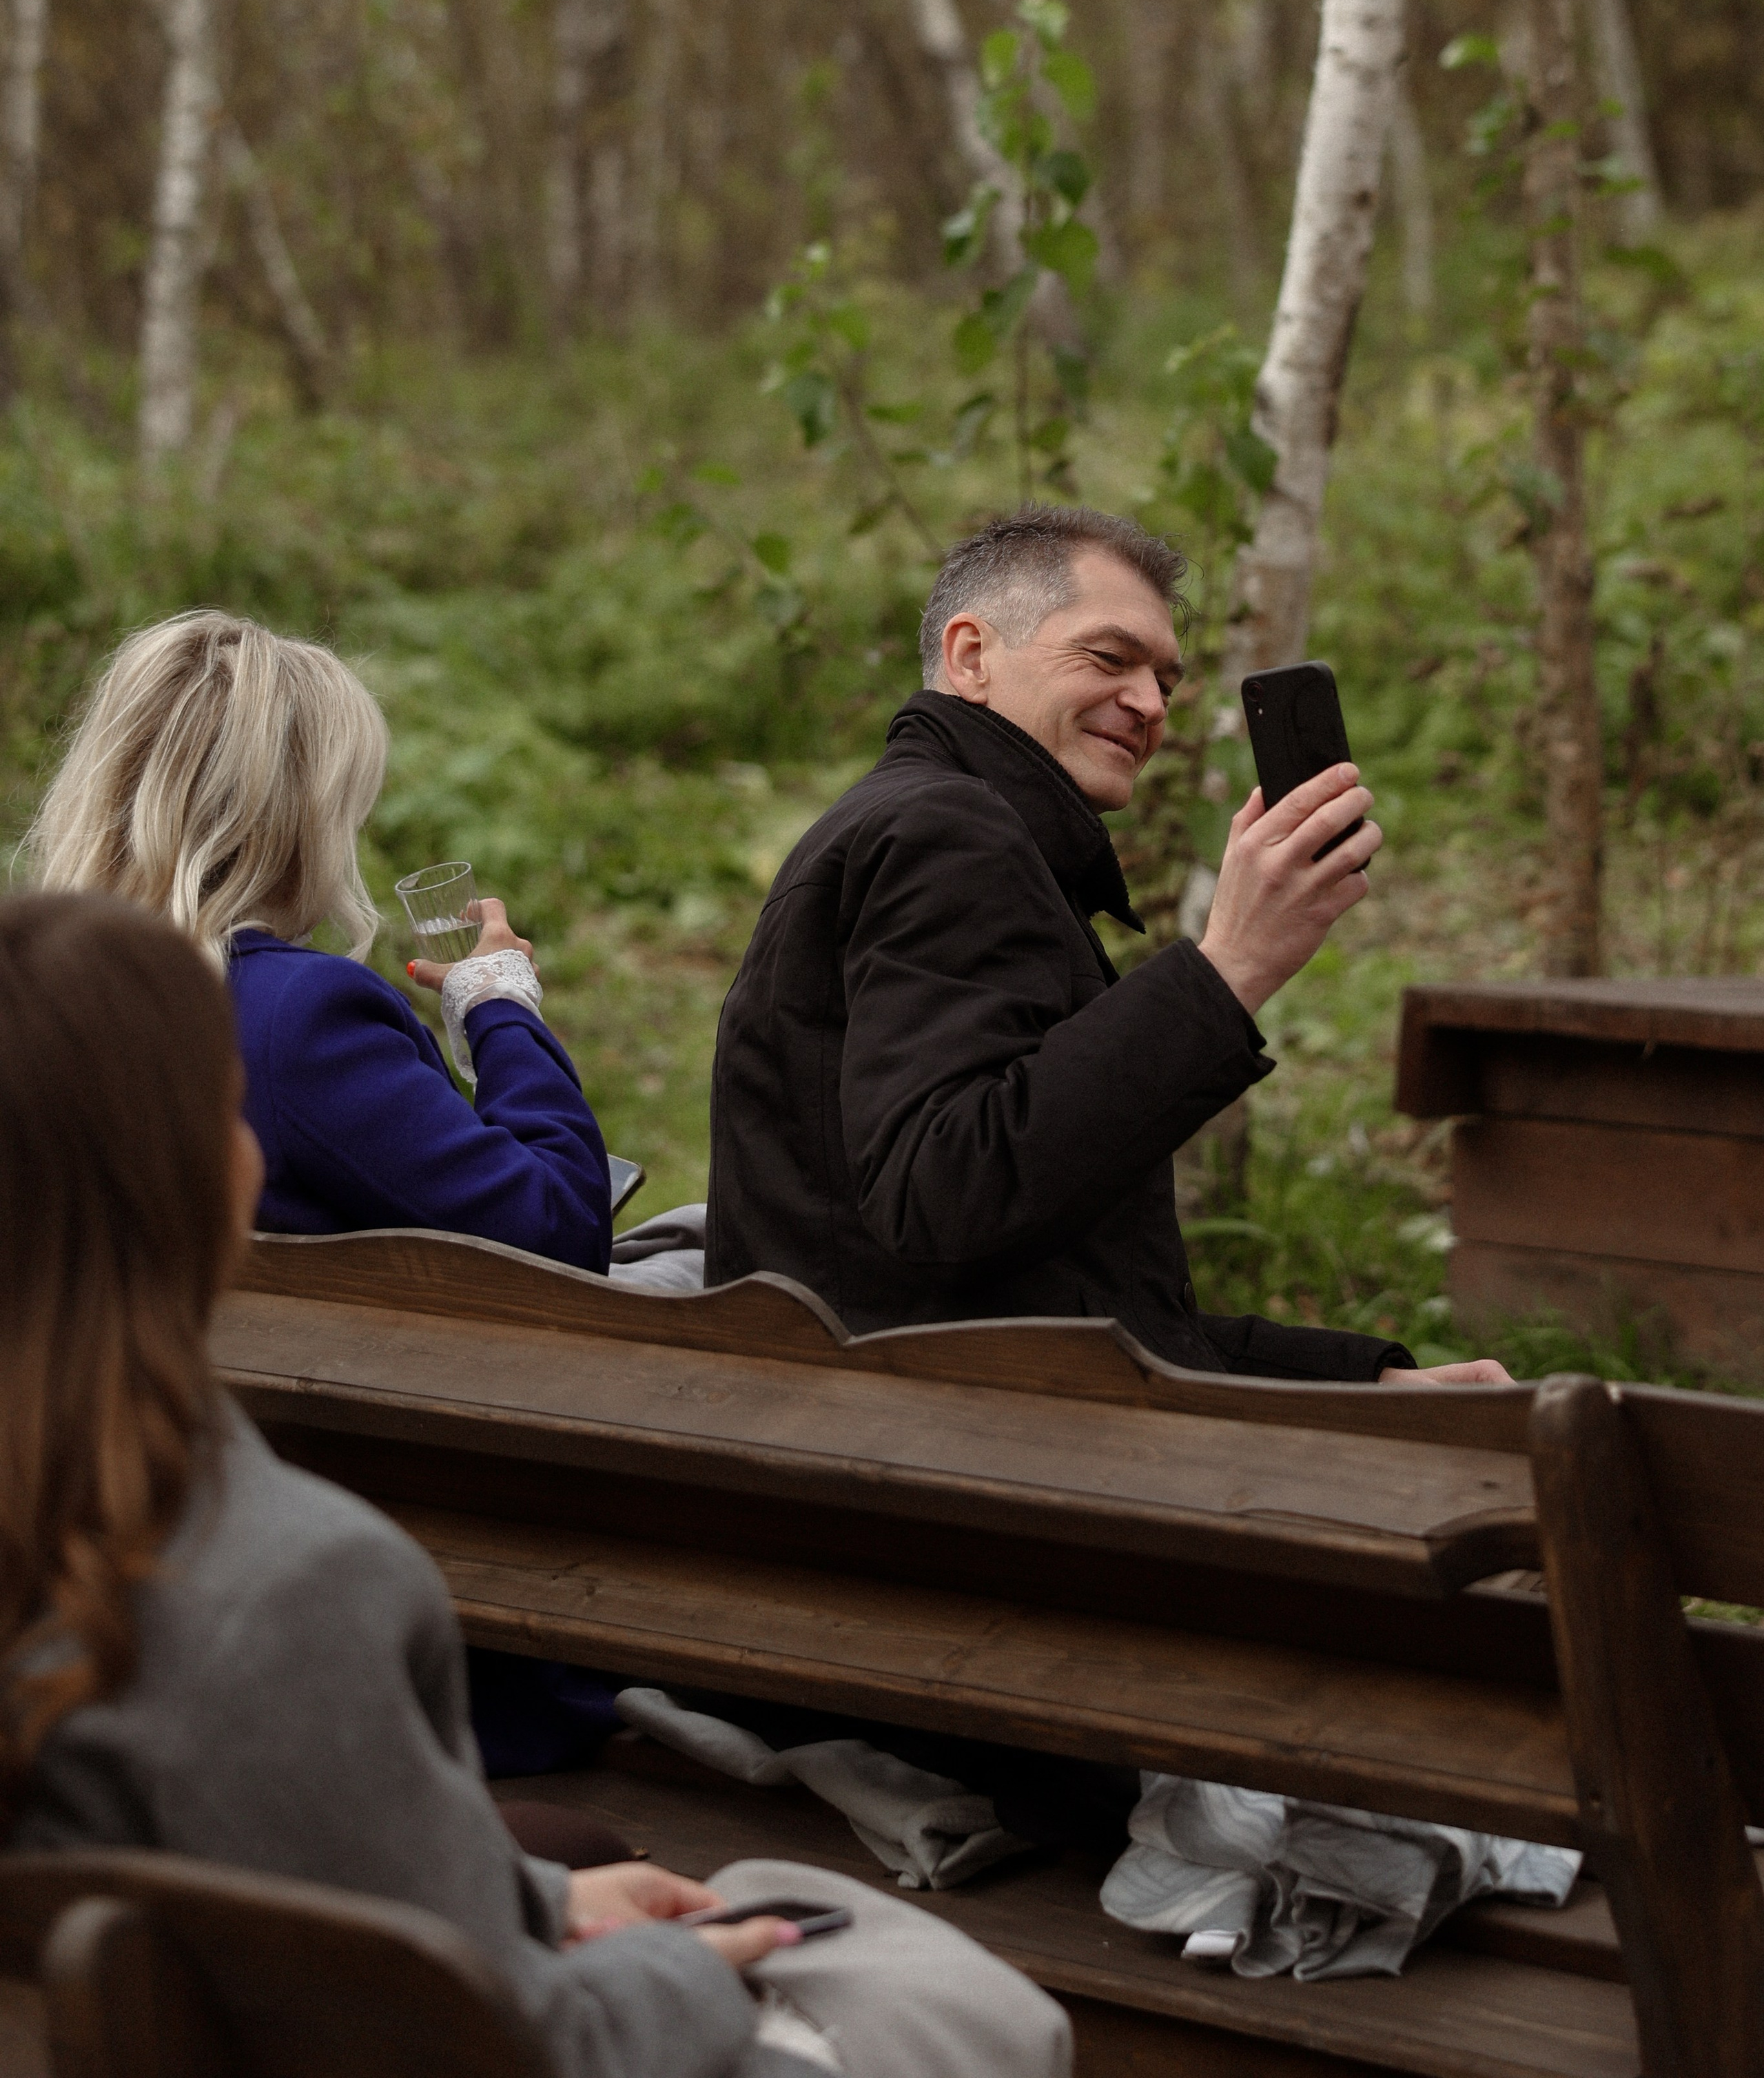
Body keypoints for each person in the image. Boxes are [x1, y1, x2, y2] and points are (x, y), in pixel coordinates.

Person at [0, 893, 1072, 2078]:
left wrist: (531, 1899)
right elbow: (521, 2044)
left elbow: (274, 1869)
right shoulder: (289, 1586)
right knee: (955, 2004)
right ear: (192, 1174)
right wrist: (689, 1967)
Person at [707, 506, 1508, 1389]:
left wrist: (1366, 1383)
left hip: (903, 1422)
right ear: (971, 657)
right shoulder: (948, 830)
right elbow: (946, 1197)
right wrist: (1227, 969)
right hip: (929, 1464)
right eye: (1108, 658)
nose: (1150, 704)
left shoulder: (931, 827)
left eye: (1166, 679)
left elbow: (1059, 1296)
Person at [23, 609, 619, 1772]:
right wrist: (501, 1007)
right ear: (298, 813)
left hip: (100, 1583)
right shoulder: (292, 1015)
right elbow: (553, 1236)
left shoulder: (38, 990)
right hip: (360, 1623)